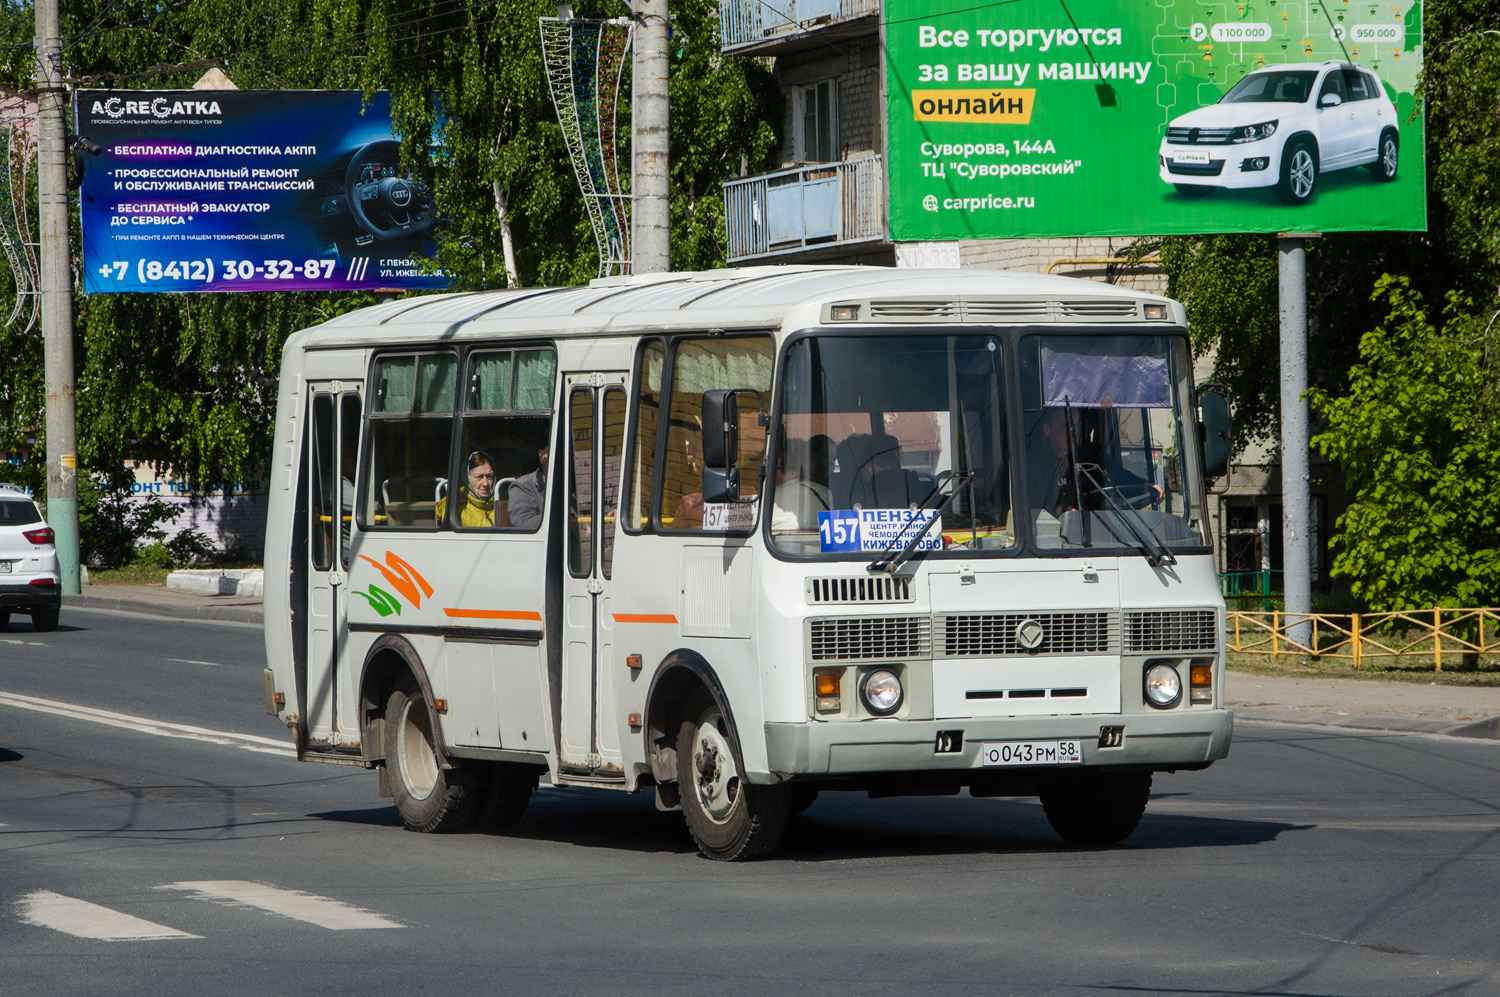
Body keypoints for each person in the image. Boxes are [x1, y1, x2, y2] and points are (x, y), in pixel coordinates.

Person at [772, 433, 833, 531]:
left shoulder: (771, 497)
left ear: (792, 472)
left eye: (776, 469)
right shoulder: (825, 492)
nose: (772, 474)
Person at [436, 451, 497, 527]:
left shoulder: (502, 505)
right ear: (467, 478)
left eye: (489, 477)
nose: (485, 483)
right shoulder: (453, 506)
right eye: (479, 477)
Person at [508, 443, 548, 531]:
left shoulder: (573, 485)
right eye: (555, 452)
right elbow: (523, 523)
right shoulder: (522, 485)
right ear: (541, 456)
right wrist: (561, 516)